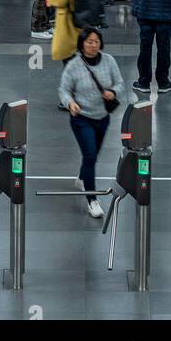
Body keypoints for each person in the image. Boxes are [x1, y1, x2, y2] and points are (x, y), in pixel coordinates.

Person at [59, 27, 125, 219]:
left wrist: (113, 92)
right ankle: (92, 199)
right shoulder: (73, 65)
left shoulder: (109, 61)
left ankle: (82, 177)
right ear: (82, 44)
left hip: (102, 117)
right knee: (90, 157)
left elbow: (120, 83)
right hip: (81, 119)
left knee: (93, 155)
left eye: (96, 41)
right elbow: (63, 89)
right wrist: (70, 103)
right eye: (89, 41)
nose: (93, 45)